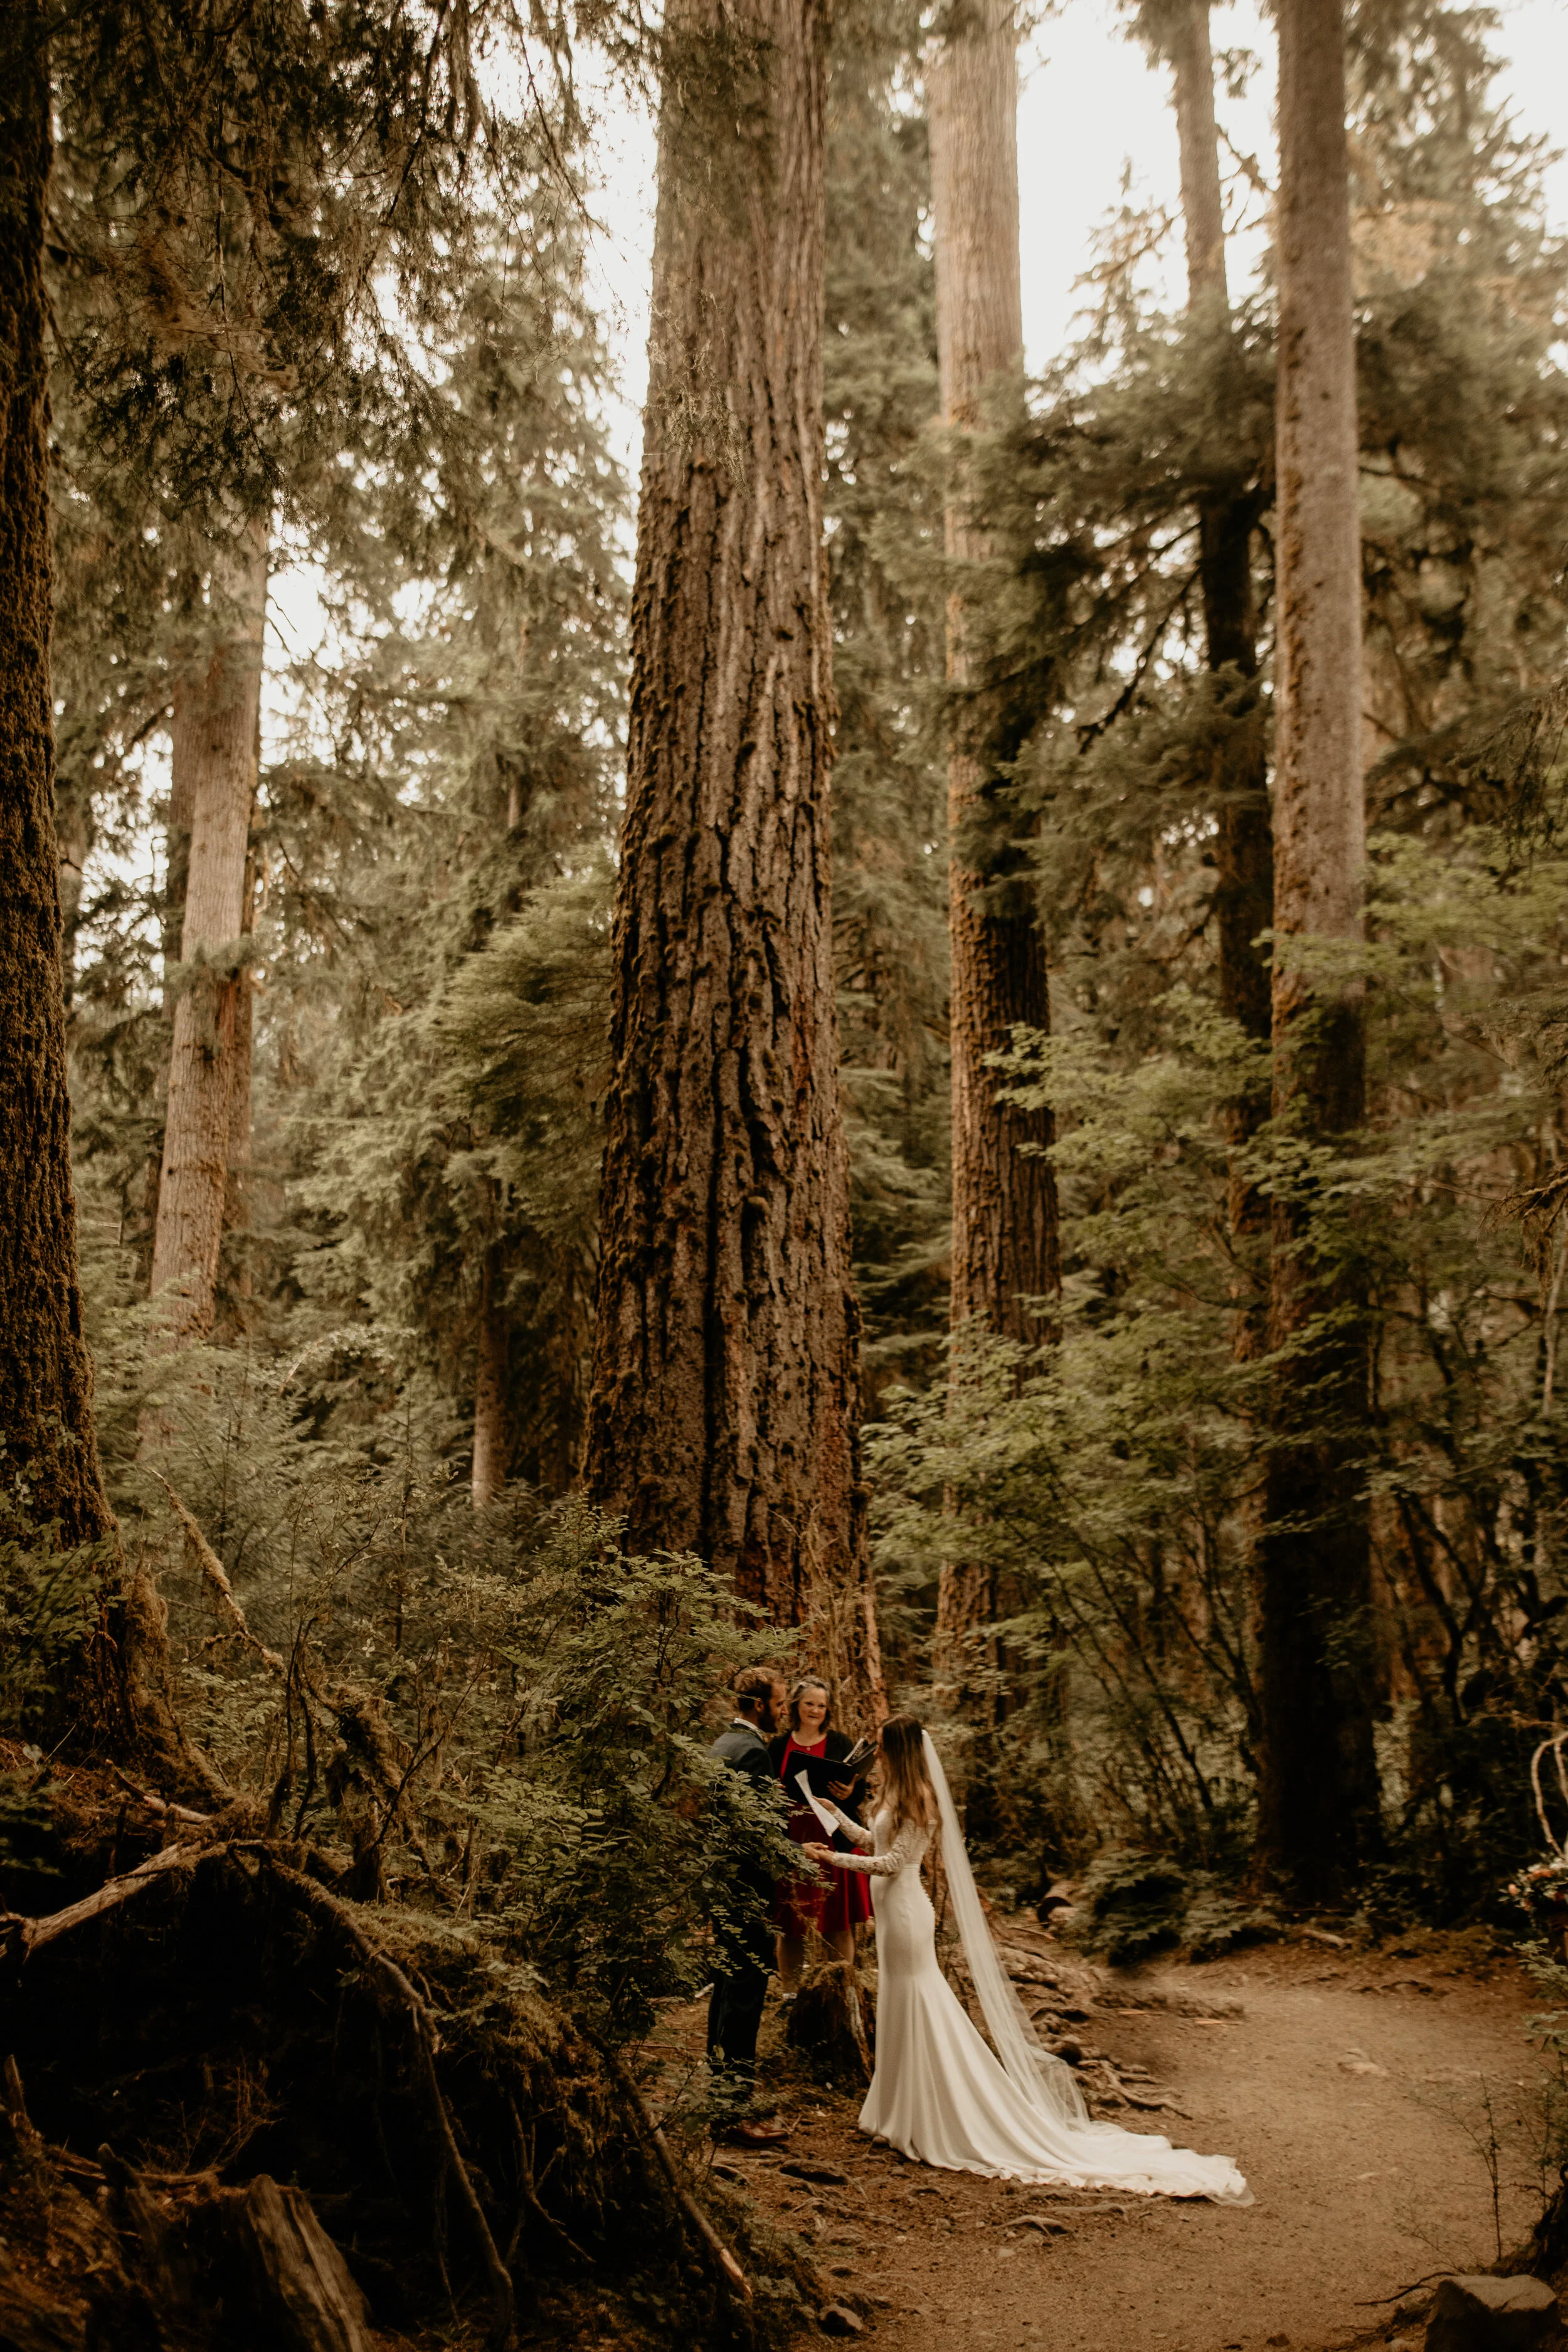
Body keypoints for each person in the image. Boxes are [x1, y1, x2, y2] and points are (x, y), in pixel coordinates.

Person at [801, 1715, 1251, 2202]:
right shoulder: (890, 1796)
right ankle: (895, 2109)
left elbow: (893, 1864)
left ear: (902, 1750)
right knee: (899, 2002)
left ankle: (928, 2116)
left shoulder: (920, 1799)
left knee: (918, 2002)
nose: (879, 1756)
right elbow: (875, 1842)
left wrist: (830, 1859)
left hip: (907, 1912)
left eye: (885, 1748)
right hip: (891, 1913)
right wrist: (836, 1816)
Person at [705, 1667, 788, 2144]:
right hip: (746, 1891)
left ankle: (719, 2103)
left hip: (722, 1887)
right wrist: (798, 1857)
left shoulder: (722, 1744)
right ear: (758, 1705)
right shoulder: (754, 1752)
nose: (783, 1710)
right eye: (779, 1702)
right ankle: (734, 2114)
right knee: (744, 1998)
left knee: (726, 1993)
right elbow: (759, 1835)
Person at [767, 1675, 871, 1994]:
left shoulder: (840, 1743)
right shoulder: (778, 1746)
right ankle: (791, 1995)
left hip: (833, 1840)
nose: (815, 1711)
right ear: (796, 1705)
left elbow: (858, 1793)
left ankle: (840, 1991)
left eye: (822, 1706)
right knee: (790, 1926)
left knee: (838, 1923)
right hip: (795, 1842)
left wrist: (849, 1790)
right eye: (809, 1704)